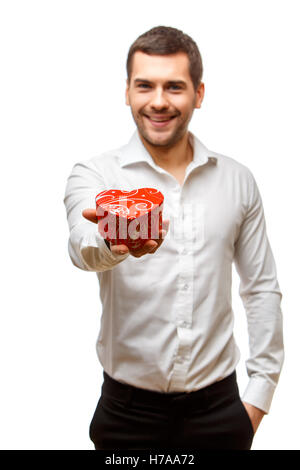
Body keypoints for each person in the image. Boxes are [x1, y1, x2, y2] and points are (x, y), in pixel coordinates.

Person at [63, 26, 284, 450]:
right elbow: (81, 245)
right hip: (126, 415)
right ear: (127, 91)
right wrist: (114, 242)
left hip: (219, 411)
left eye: (175, 87)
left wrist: (257, 400)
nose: (159, 101)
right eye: (145, 85)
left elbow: (260, 289)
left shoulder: (237, 180)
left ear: (199, 93)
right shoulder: (93, 175)